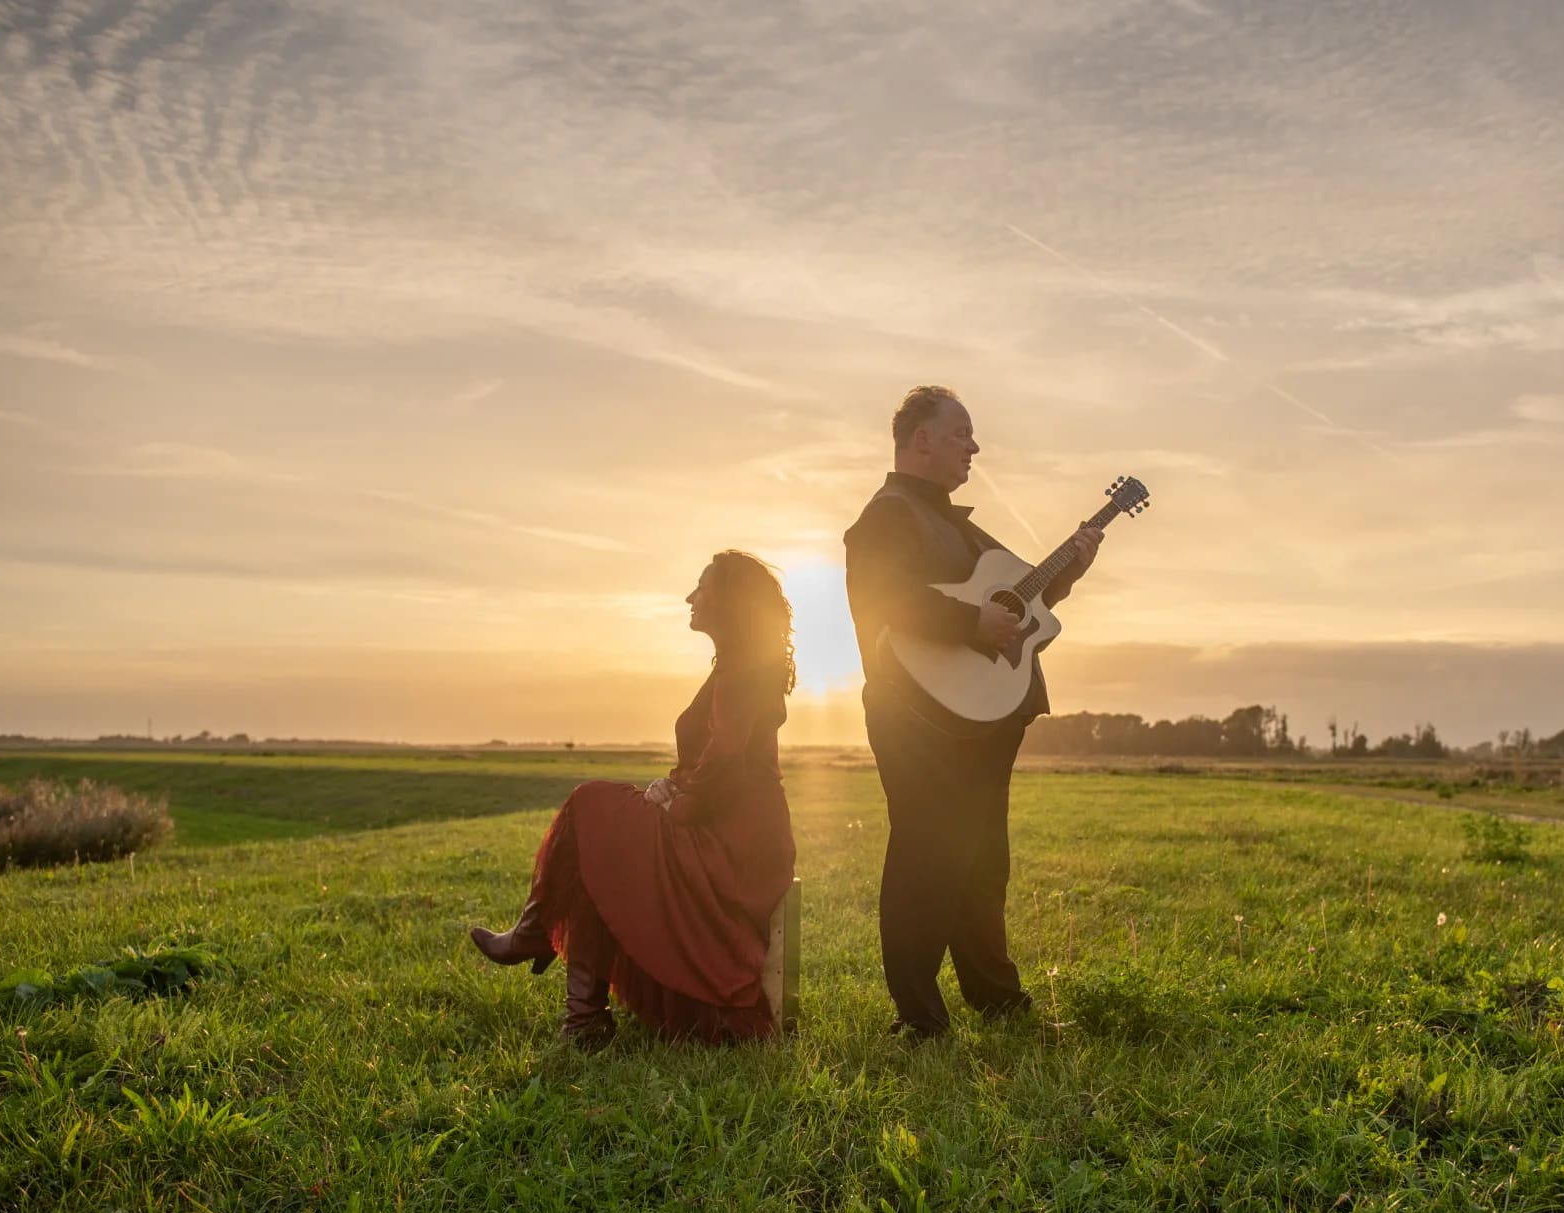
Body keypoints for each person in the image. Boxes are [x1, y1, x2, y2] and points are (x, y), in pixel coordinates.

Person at [843, 386, 1102, 1039]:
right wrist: (967, 621)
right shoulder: (887, 514)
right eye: (961, 432)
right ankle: (919, 1019)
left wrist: (1070, 567)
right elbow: (882, 596)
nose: (974, 446)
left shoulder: (957, 522)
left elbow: (1016, 597)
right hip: (918, 713)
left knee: (984, 858)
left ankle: (999, 1001)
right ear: (920, 439)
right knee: (926, 855)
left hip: (983, 714)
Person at [469, 551, 797, 1048]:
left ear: (729, 601)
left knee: (590, 806)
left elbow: (727, 756)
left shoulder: (740, 672)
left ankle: (553, 967)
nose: (691, 597)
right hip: (734, 825)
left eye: (702, 587)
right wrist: (672, 790)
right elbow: (719, 758)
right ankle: (579, 1011)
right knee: (602, 837)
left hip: (731, 839)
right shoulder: (744, 667)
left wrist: (678, 802)